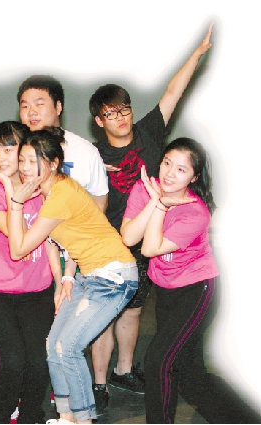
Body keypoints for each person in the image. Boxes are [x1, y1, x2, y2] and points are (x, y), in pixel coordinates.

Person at [86, 23, 214, 412]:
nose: (120, 117)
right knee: (105, 315)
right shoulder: (94, 155)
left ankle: (125, 370)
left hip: (151, 241)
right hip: (114, 242)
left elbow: (173, 92)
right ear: (100, 121)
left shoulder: (148, 133)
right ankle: (98, 383)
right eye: (110, 114)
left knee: (135, 309)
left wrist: (196, 54)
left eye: (124, 109)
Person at [0, 129, 138, 423]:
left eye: (33, 161)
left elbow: (19, 248)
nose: (25, 167)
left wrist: (15, 201)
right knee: (53, 347)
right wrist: (66, 279)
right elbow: (61, 240)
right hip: (89, 276)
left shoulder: (59, 196)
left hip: (113, 278)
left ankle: (83, 419)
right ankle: (65, 416)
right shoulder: (53, 190)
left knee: (67, 348)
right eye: (23, 160)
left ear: (54, 163)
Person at [120, 137, 261, 424]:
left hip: (197, 291)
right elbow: (129, 237)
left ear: (194, 177)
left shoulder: (196, 212)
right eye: (167, 163)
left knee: (159, 360)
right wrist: (155, 200)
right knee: (191, 378)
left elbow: (149, 249)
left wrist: (160, 205)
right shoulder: (144, 188)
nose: (170, 173)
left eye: (181, 169)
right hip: (166, 291)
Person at [0, 121, 62, 423]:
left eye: (9, 149)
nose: (0, 157)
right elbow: (19, 239)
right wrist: (14, 194)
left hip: (37, 291)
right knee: (12, 361)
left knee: (38, 362)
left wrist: (62, 282)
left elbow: (56, 240)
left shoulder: (47, 190)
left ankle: (30, 416)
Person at [0, 75, 108, 213]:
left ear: (58, 107)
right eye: (25, 106)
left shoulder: (85, 151)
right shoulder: (16, 146)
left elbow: (99, 202)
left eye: (39, 104)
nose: (32, 112)